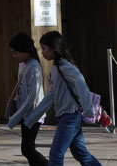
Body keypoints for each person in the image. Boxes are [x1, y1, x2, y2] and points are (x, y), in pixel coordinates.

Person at [23, 31, 102, 166]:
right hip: (68, 116)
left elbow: (81, 83)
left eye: (44, 49)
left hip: (70, 117)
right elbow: (49, 97)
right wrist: (32, 118)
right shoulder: (55, 69)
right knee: (80, 153)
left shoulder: (65, 67)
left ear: (54, 49)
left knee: (55, 155)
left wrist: (89, 109)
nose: (42, 53)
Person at [5, 33, 48, 166]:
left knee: (27, 149)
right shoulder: (25, 64)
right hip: (28, 114)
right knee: (28, 148)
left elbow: (33, 96)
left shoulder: (33, 67)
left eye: (16, 53)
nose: (14, 56)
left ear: (25, 51)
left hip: (33, 114)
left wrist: (17, 116)